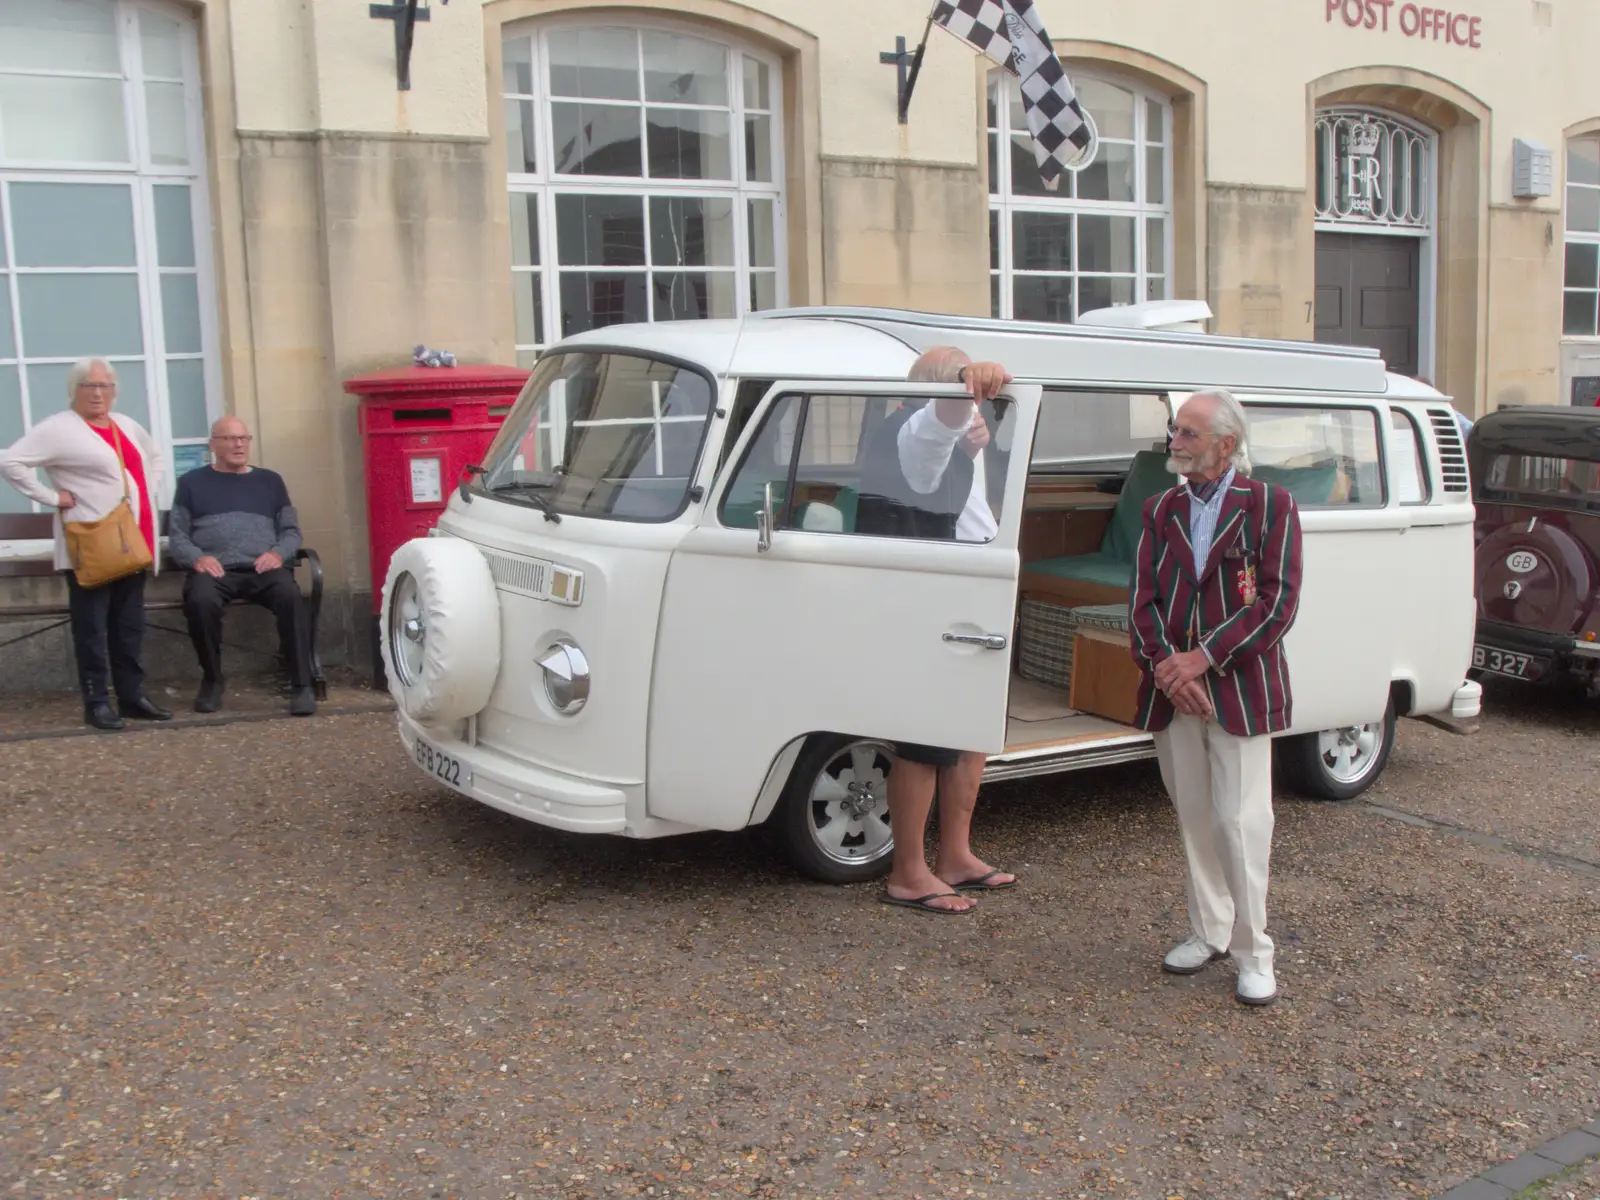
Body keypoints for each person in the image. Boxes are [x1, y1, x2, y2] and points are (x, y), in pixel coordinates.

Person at [1129, 388, 1303, 1005]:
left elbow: (1277, 603)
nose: (1173, 443)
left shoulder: (1270, 505)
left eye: (1187, 435)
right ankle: (1209, 932)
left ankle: (1256, 952)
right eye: (1174, 432)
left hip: (1239, 688)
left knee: (1242, 821)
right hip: (1172, 689)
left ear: (1226, 446)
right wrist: (1169, 672)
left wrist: (1204, 659)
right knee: (1194, 813)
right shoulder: (1159, 509)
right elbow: (1141, 601)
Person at [856, 346, 1018, 915]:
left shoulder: (961, 443)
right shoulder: (912, 432)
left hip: (973, 590)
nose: (976, 414)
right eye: (965, 399)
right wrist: (963, 391)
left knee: (971, 730)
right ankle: (907, 872)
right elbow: (934, 430)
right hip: (925, 603)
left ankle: (955, 855)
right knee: (922, 739)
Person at [0, 358, 171, 730]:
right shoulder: (60, 429)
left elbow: (154, 457)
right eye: (88, 385)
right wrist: (50, 496)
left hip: (133, 544)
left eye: (104, 386)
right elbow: (10, 461)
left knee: (128, 627)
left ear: (114, 390)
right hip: (90, 543)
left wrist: (146, 490)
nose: (97, 393)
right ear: (74, 389)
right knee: (92, 628)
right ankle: (96, 702)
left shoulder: (125, 424)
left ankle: (131, 696)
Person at [168, 417, 316, 716]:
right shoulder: (191, 483)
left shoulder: (270, 481)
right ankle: (212, 679)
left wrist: (277, 554)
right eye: (230, 439)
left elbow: (291, 532)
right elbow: (178, 536)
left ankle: (302, 683)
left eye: (243, 438)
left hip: (264, 568)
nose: (238, 445)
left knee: (290, 596)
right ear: (213, 445)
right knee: (200, 600)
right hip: (216, 570)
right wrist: (198, 557)